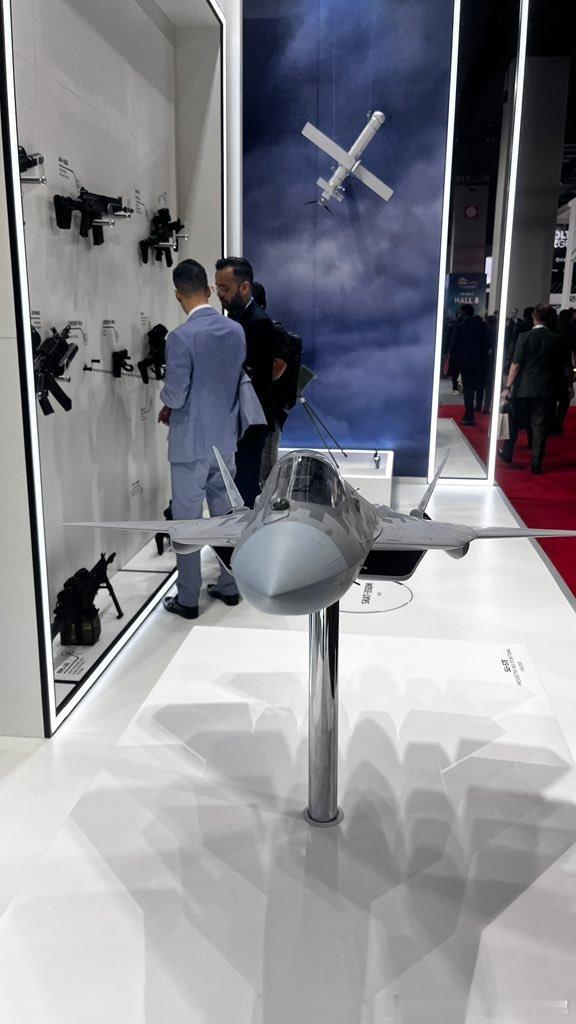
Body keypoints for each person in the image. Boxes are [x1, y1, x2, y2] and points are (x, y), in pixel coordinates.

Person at [158, 259, 256, 620]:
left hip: (189, 444)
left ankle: (188, 598)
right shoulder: (235, 331)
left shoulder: (180, 338)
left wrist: (165, 401)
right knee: (226, 517)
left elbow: (175, 394)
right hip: (224, 440)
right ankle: (229, 587)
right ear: (210, 290)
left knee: (187, 523)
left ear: (178, 295)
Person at [215, 257, 287, 507]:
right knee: (237, 484)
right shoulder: (239, 319)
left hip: (251, 421)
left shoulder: (259, 323)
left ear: (244, 287)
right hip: (240, 419)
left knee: (245, 485)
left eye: (225, 288)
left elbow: (261, 378)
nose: (220, 295)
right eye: (217, 288)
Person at [499, 303, 564, 474]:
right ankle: (536, 462)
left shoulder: (524, 337)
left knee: (513, 421)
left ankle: (507, 453)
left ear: (534, 316)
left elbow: (516, 364)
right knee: (539, 425)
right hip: (545, 389)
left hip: (523, 388)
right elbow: (559, 367)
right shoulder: (556, 339)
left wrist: (508, 386)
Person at [448, 304, 488, 425]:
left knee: (468, 390)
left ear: (464, 313)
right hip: (480, 363)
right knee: (479, 387)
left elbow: (453, 346)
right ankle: (475, 409)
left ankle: (470, 415)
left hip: (466, 364)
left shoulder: (461, 326)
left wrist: (456, 362)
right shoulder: (482, 326)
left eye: (460, 312)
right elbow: (486, 345)